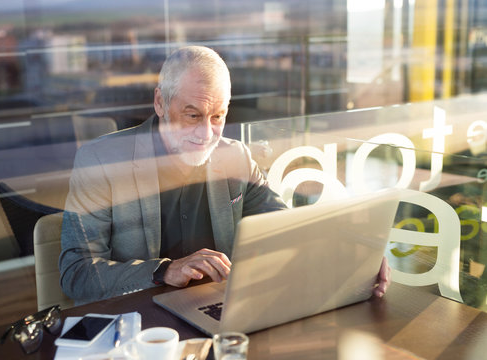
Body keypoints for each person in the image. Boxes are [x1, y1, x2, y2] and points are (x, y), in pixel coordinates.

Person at [59, 46, 391, 305]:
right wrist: (163, 271)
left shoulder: (235, 157)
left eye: (218, 116)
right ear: (160, 103)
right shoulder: (100, 161)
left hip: (220, 310)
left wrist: (351, 252)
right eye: (192, 115)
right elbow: (76, 274)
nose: (206, 133)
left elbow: (286, 229)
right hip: (143, 324)